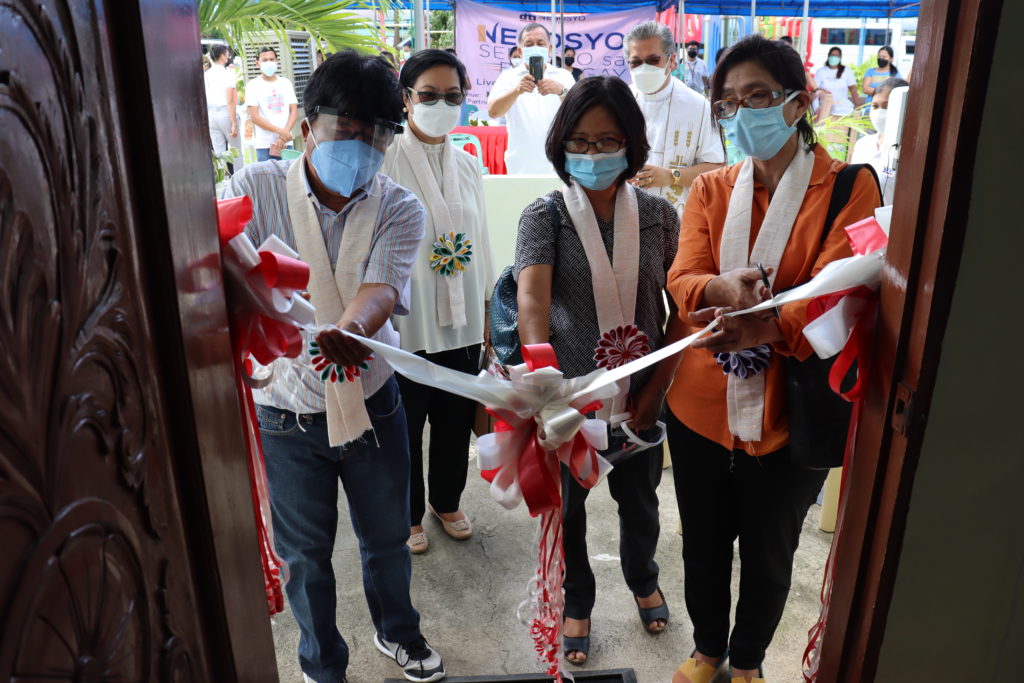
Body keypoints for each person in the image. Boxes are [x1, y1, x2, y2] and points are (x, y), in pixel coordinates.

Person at [222, 50, 446, 683]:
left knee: (386, 539)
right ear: (306, 128)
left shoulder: (399, 206)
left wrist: (353, 327)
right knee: (304, 554)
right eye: (348, 126)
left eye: (380, 132)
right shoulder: (251, 189)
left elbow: (382, 287)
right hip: (285, 412)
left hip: (373, 401)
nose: (365, 144)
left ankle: (397, 633)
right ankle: (322, 663)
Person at [664, 35, 880, 683]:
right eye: (727, 103)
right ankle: (707, 650)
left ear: (799, 103)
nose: (742, 113)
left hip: (791, 419)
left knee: (769, 554)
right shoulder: (710, 188)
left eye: (757, 96)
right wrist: (723, 294)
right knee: (702, 547)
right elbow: (684, 282)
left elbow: (835, 290)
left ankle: (750, 660)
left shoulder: (847, 186)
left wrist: (755, 321)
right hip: (700, 408)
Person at [514, 75, 685, 665]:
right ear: (561, 145)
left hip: (641, 397)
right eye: (580, 142)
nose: (593, 154)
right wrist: (545, 389)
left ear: (631, 145)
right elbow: (532, 303)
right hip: (570, 399)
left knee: (641, 504)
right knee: (571, 510)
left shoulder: (661, 216)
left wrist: (657, 392)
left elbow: (680, 306)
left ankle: (642, 578)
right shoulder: (545, 215)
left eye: (607, 140)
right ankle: (576, 600)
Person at [382, 50, 496, 555]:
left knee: (454, 420)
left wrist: (492, 316)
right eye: (428, 95)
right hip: (409, 322)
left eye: (453, 96)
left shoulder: (470, 164)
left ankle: (446, 501)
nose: (440, 105)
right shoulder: (384, 159)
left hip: (463, 320)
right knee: (404, 422)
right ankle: (407, 512)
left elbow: (485, 243)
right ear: (406, 99)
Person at [624, 21, 725, 214]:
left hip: (677, 219)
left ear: (671, 61)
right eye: (636, 62)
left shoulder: (698, 106)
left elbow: (716, 167)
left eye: (653, 60)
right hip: (626, 215)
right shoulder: (621, 102)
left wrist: (672, 176)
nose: (644, 69)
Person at [487, 23, 576, 174]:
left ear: (549, 49)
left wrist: (562, 91)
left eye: (540, 43)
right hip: (521, 166)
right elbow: (493, 112)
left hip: (557, 166)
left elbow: (579, 112)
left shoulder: (563, 76)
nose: (535, 47)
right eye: (529, 44)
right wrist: (516, 90)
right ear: (520, 51)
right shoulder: (508, 77)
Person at [852, 77, 909, 205]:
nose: (879, 112)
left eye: (887, 106)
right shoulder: (862, 145)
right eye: (875, 106)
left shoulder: (910, 151)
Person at [245, 47, 298, 162]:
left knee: (288, 176)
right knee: (266, 179)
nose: (269, 62)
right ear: (257, 63)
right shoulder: (252, 85)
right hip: (264, 145)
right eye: (264, 60)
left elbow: (294, 111)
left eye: (271, 59)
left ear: (276, 61)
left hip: (286, 143)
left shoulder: (286, 83)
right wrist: (281, 132)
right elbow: (254, 117)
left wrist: (283, 136)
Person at [204, 44, 240, 165]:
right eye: (227, 54)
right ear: (223, 56)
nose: (228, 56)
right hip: (226, 113)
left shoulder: (206, 74)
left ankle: (224, 181)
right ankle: (240, 181)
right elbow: (230, 100)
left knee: (219, 155)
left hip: (211, 115)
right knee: (237, 153)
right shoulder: (228, 74)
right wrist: (234, 123)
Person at [814, 46, 861, 118]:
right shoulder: (821, 71)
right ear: (828, 56)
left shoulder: (847, 70)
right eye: (832, 55)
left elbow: (853, 89)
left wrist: (858, 105)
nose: (834, 57)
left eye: (836, 55)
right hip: (825, 109)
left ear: (840, 57)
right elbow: (815, 90)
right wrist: (816, 108)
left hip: (843, 109)